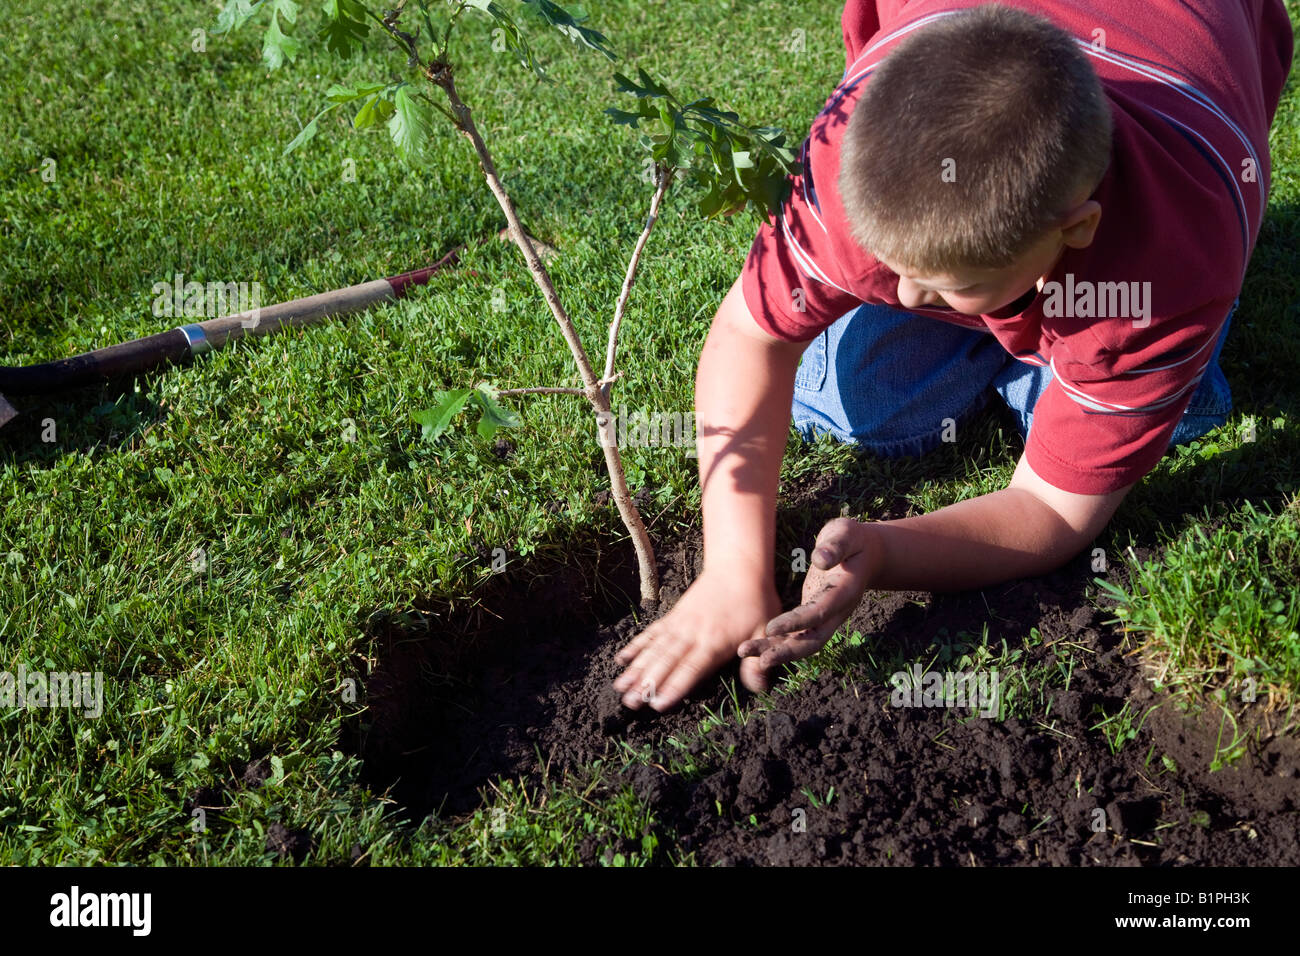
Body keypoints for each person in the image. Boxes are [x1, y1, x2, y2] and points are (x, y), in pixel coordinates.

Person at [612, 0, 1294, 711]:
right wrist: (732, 570)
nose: (902, 293)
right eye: (893, 264)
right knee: (858, 409)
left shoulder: (1173, 257)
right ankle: (1023, 338)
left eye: (945, 284)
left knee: (1172, 416)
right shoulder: (849, 149)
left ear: (1080, 227)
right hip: (993, 205)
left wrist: (888, 551)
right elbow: (753, 333)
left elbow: (1054, 511)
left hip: (1183, 116)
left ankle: (1074, 361)